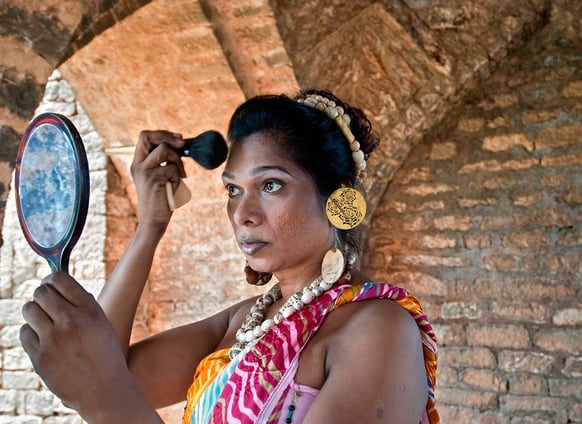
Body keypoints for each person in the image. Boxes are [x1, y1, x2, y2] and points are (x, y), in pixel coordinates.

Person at [20, 89, 439, 423]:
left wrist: (102, 401)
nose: (243, 213)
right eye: (233, 190)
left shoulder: (379, 329)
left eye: (271, 185)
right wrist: (150, 225)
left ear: (337, 199)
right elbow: (102, 371)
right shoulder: (244, 323)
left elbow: (104, 390)